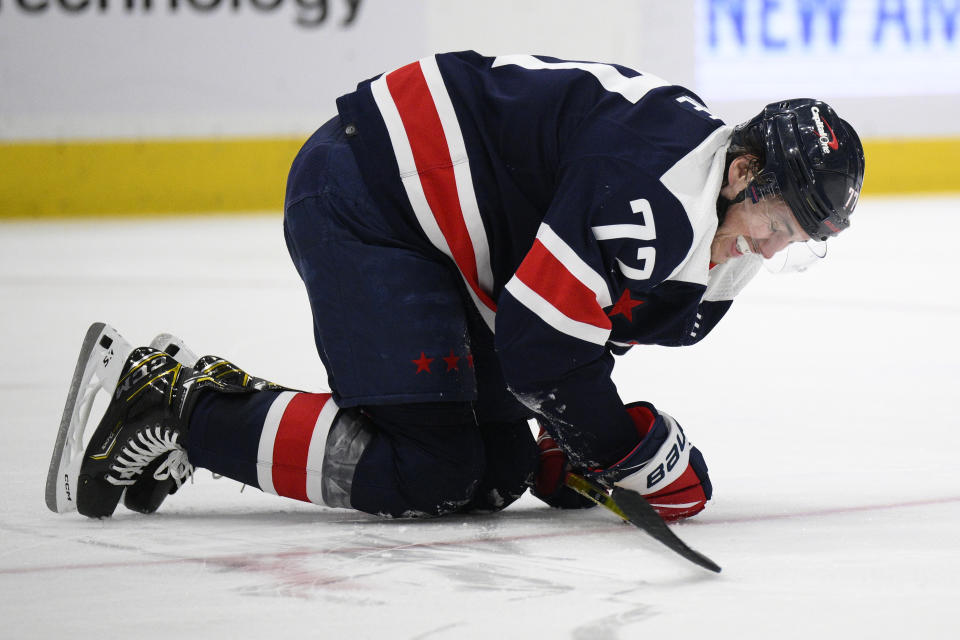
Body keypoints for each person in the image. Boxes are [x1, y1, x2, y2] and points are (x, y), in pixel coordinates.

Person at [48, 51, 864, 521]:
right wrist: (617, 449)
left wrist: (578, 448)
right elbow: (542, 350)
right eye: (780, 222)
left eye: (797, 240)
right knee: (431, 468)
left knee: (498, 468)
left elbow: (581, 331)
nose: (772, 246)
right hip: (372, 197)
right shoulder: (650, 186)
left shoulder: (709, 212)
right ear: (746, 170)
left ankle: (197, 411)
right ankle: (178, 405)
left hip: (447, 240)